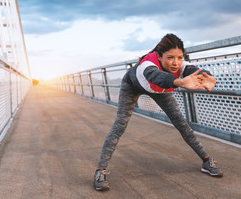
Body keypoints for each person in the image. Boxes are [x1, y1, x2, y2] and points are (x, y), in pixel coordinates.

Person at [94, 33, 223, 191]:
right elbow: (156, 76)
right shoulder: (147, 65)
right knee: (120, 125)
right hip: (133, 86)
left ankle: (206, 161)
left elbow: (193, 70)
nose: (175, 63)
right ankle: (100, 171)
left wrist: (207, 76)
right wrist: (179, 81)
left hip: (159, 89)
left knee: (181, 123)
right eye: (170, 58)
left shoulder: (180, 64)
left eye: (179, 57)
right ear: (159, 56)